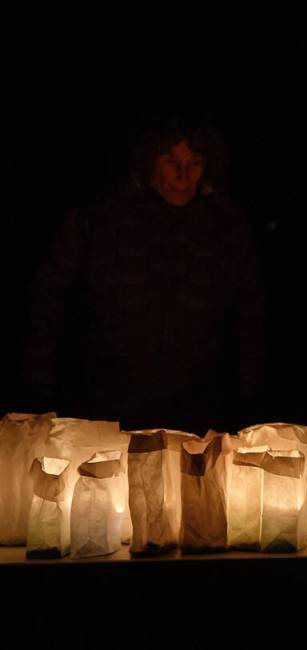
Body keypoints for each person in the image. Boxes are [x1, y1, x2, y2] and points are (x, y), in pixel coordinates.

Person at [24, 113, 266, 433]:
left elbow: (250, 315)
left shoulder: (227, 228)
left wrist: (248, 397)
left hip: (198, 412)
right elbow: (48, 299)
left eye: (194, 163)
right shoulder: (99, 218)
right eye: (171, 162)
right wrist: (40, 387)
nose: (183, 176)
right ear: (149, 160)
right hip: (106, 408)